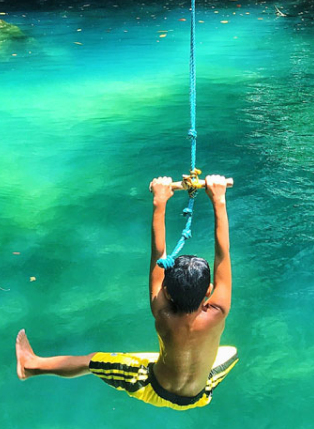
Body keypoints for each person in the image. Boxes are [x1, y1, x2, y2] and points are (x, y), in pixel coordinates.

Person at [15, 174, 237, 410]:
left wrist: (159, 201)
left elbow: (158, 255)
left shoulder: (162, 313)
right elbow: (223, 254)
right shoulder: (219, 311)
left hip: (152, 387)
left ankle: (31, 366)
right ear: (209, 292)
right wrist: (219, 199)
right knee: (231, 352)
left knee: (91, 361)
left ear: (166, 292)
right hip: (200, 395)